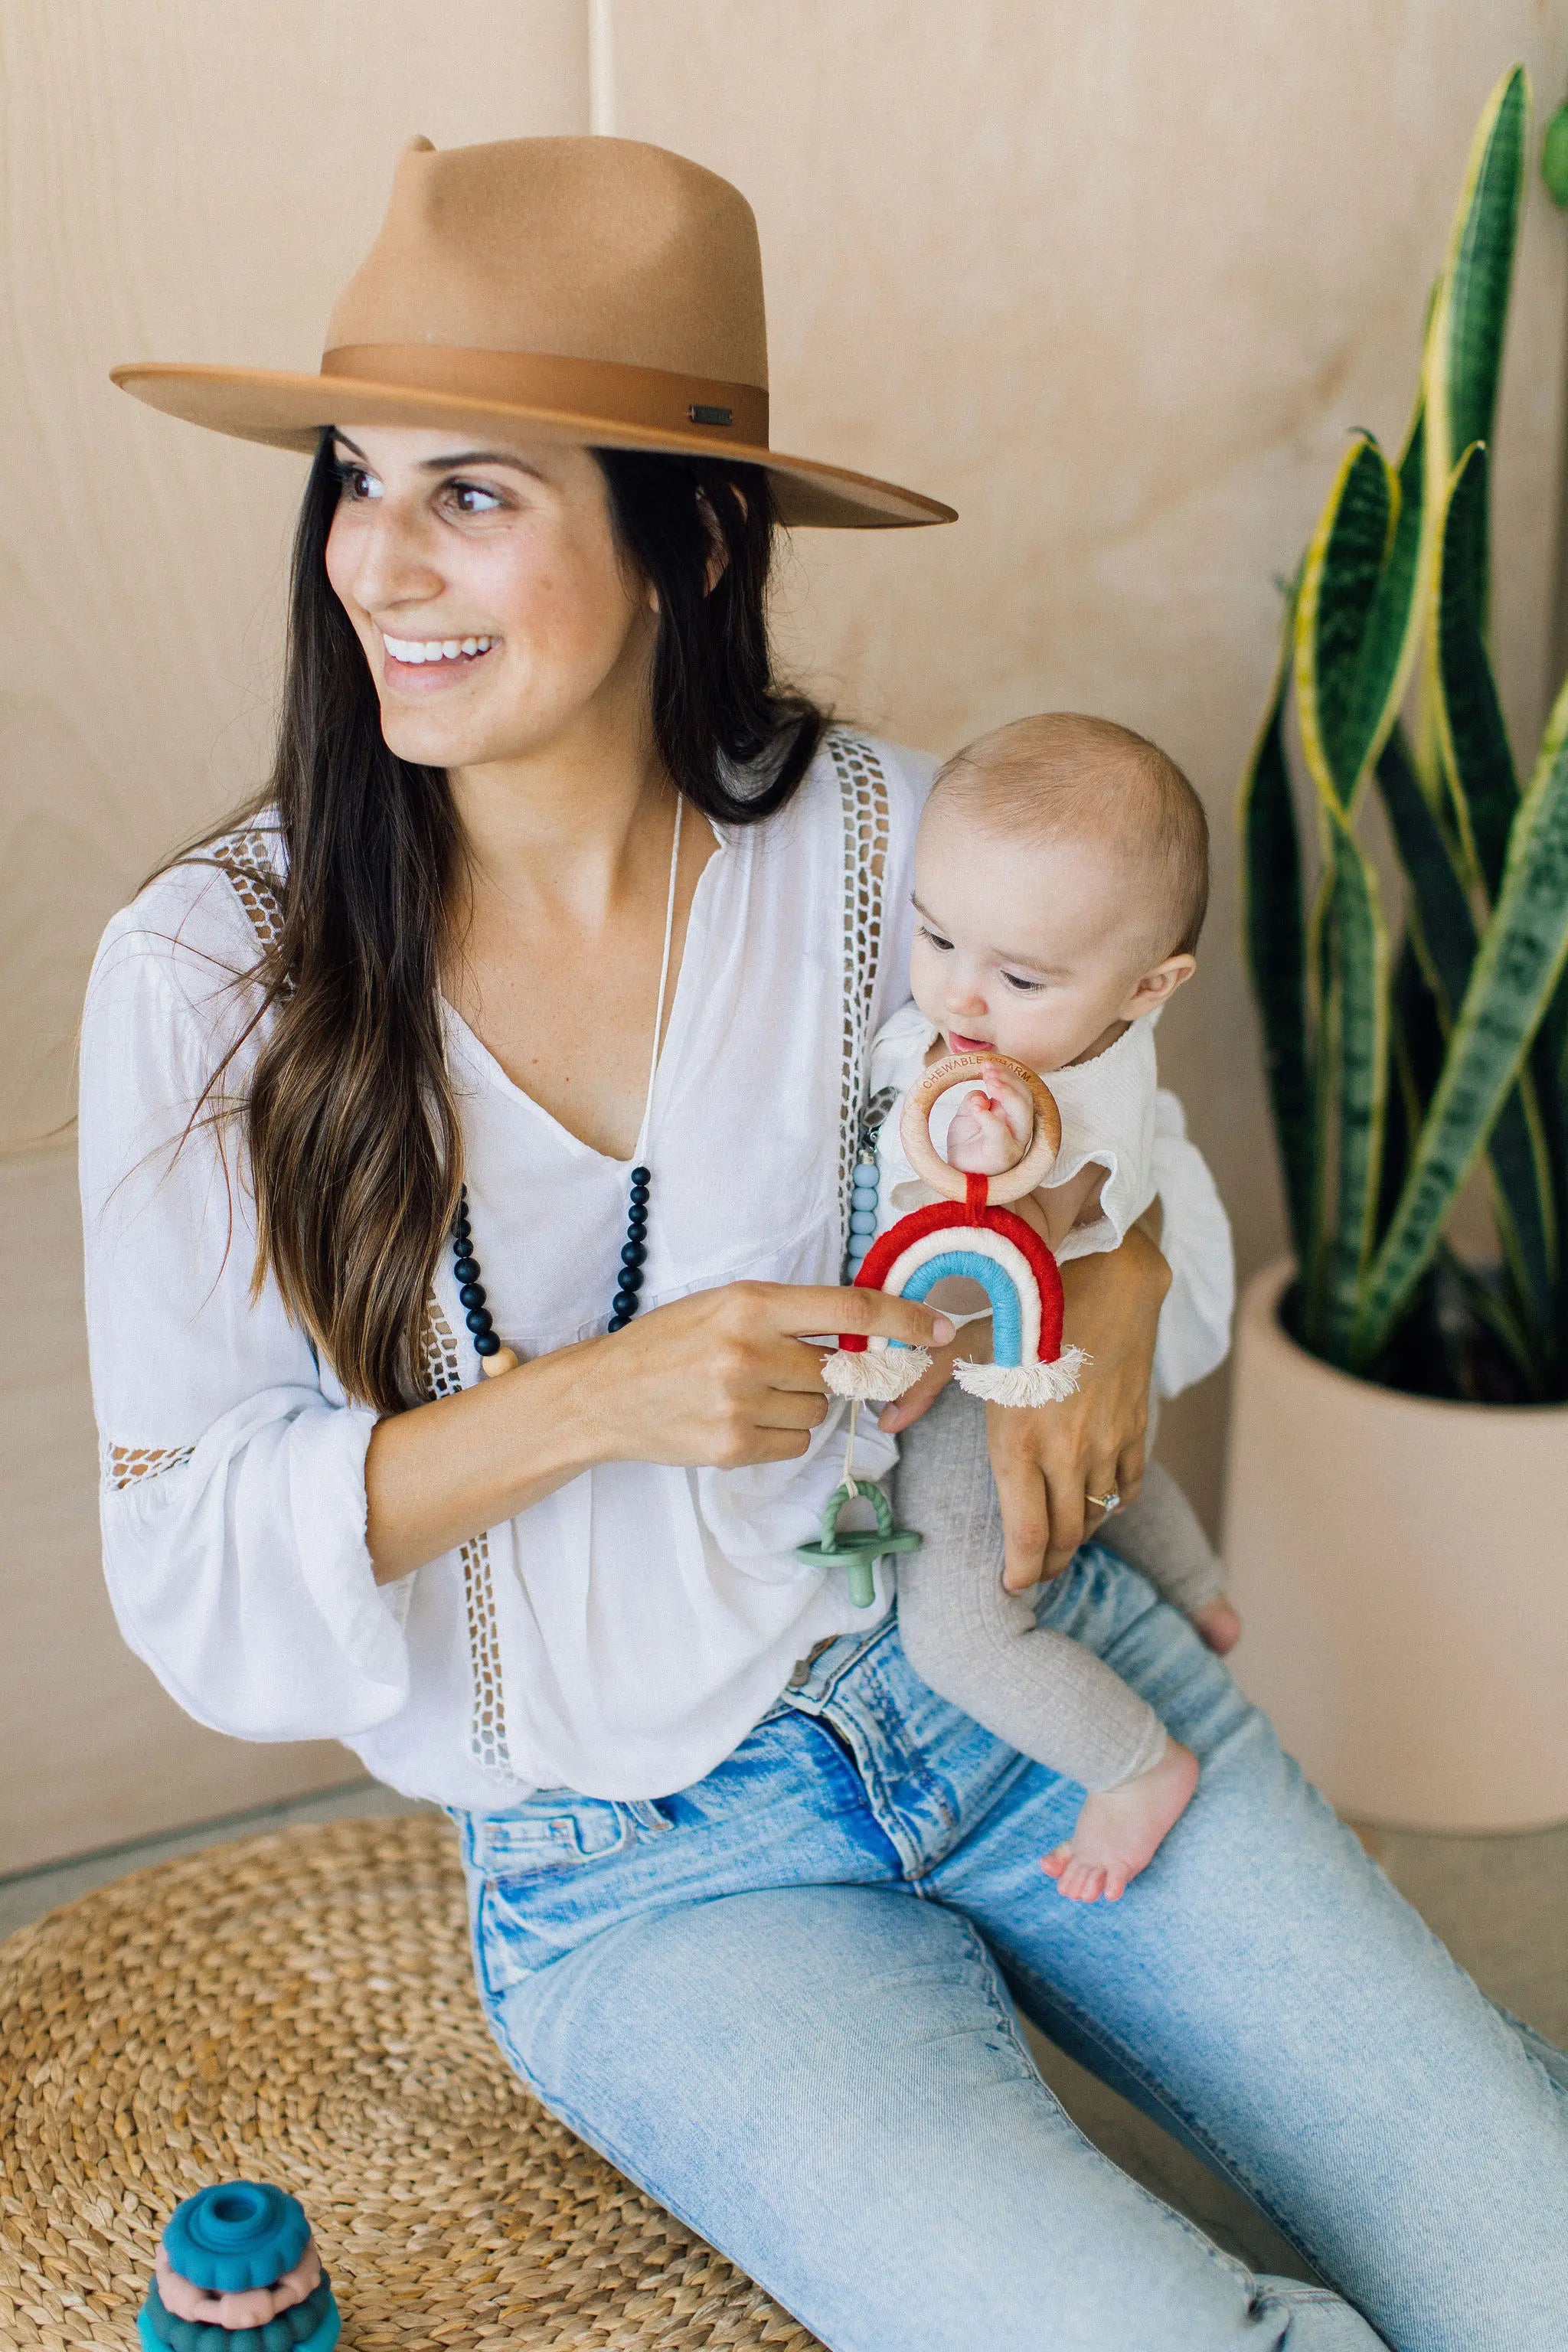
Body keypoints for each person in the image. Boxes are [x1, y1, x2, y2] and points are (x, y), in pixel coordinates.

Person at [85, 133, 1567, 2352]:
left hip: (1034, 1678)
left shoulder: (898, 844)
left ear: (688, 543)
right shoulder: (210, 975)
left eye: (470, 492)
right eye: (355, 480)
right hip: (646, 1872)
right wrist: (601, 1402)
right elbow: (186, 1554)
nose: (372, 559)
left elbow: (1132, 1174)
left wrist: (1117, 1292)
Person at [864, 711, 1237, 1902]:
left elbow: (1019, 1226)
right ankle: (1200, 1590)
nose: (960, 996)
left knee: (960, 1636)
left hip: (992, 1372)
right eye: (936, 936)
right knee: (1119, 1474)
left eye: (1020, 978)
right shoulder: (1005, 1033)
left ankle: (1136, 1767)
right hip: (1029, 1355)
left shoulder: (1079, 1098)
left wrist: (985, 1165)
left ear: (1148, 988)